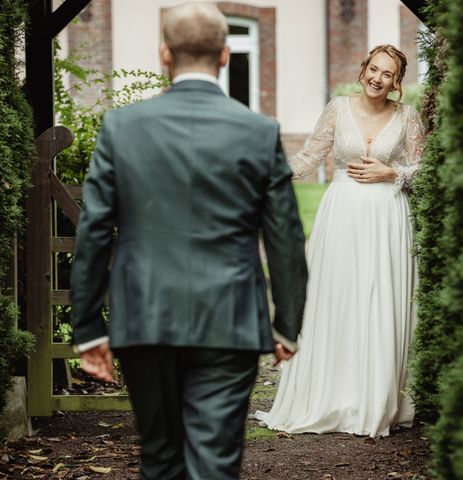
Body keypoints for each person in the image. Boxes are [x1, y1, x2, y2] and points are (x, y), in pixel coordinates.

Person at [70, 3, 307, 479]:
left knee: (159, 457)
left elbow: (95, 228)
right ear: (224, 56)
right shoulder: (259, 132)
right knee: (215, 462)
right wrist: (287, 323)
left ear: (164, 54)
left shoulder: (121, 128)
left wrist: (89, 326)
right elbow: (285, 234)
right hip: (230, 318)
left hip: (145, 315)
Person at [257, 45, 425, 438]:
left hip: (387, 219)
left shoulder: (407, 116)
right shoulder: (338, 108)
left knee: (380, 301)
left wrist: (391, 172)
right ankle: (331, 397)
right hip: (341, 217)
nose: (378, 78)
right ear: (363, 68)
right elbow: (308, 157)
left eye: (388, 74)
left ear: (397, 82)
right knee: (334, 299)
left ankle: (374, 402)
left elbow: (424, 167)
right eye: (374, 69)